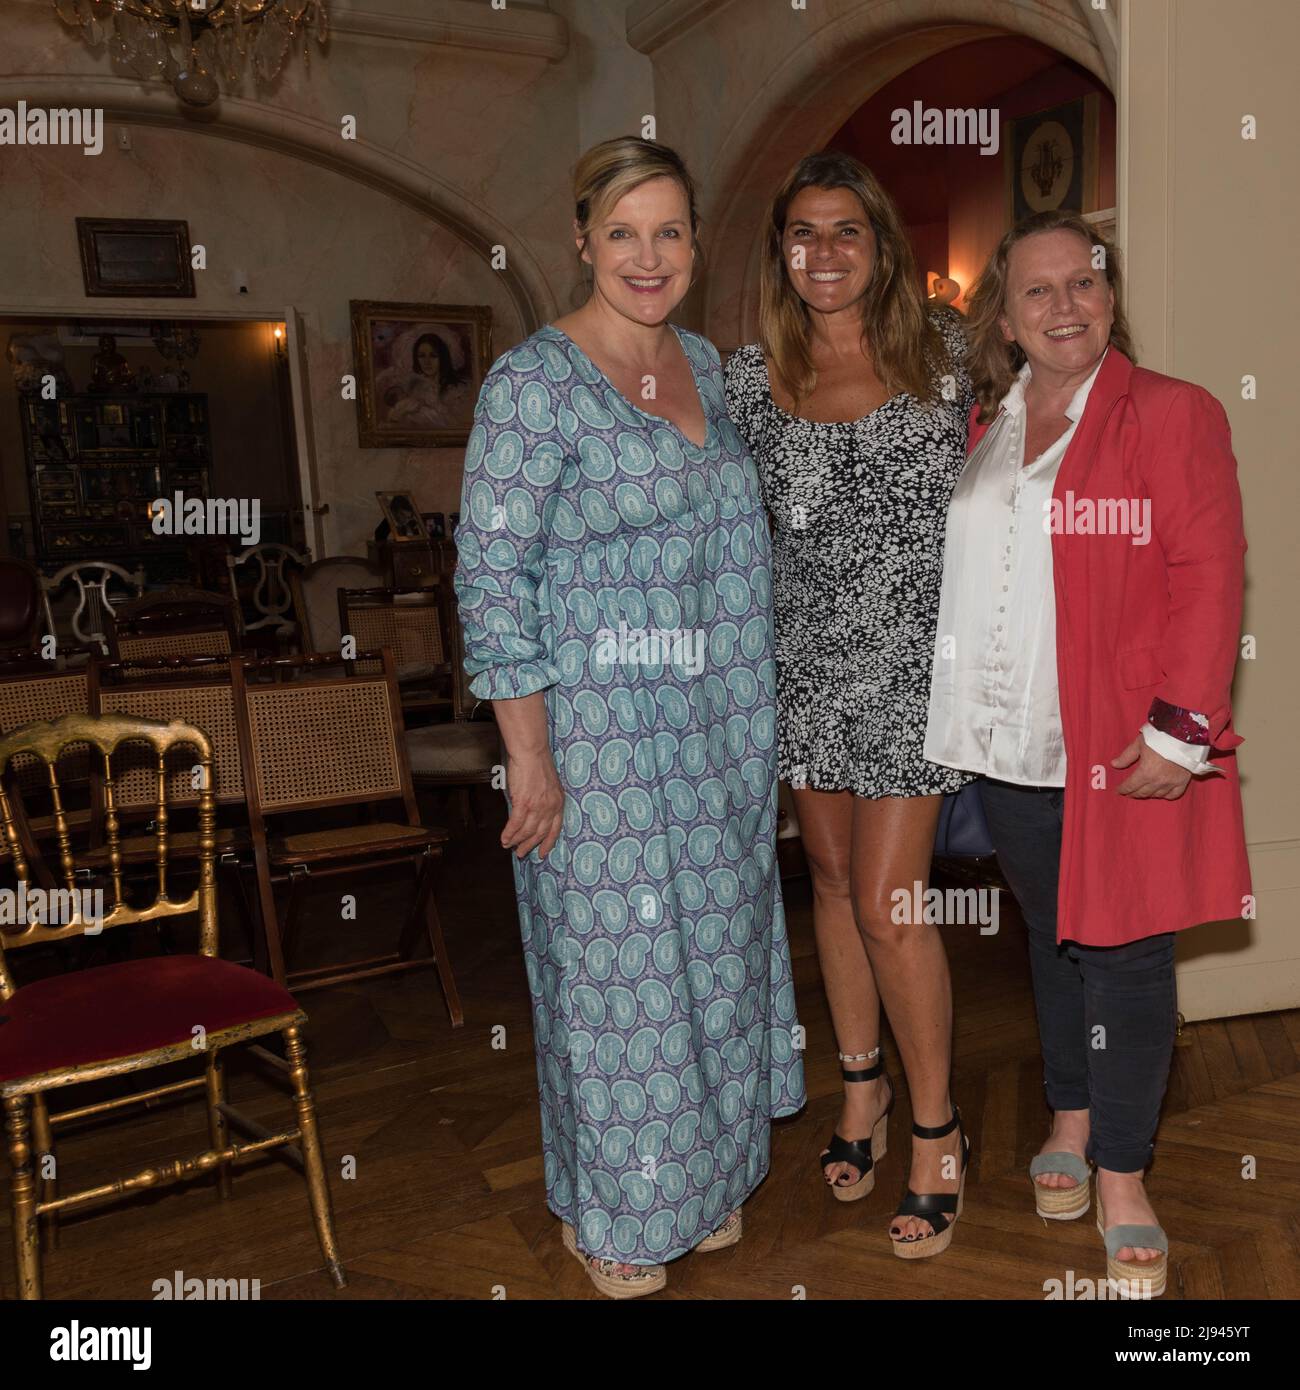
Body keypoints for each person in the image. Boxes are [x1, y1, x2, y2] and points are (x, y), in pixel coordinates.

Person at [453, 135, 806, 1299]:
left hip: (717, 737)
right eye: (622, 233)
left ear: (696, 245)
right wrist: (530, 763)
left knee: (712, 965)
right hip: (593, 740)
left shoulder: (707, 364)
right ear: (581, 240)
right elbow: (492, 585)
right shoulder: (532, 387)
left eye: (668, 232)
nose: (646, 257)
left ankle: (698, 1183)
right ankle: (615, 1212)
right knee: (618, 986)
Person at [924, 209, 1251, 1298]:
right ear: (1006, 319)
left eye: (1085, 282)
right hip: (1008, 743)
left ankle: (1121, 1172)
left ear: (1110, 294)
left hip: (1120, 742)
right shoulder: (990, 423)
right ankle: (1067, 1106)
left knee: (1127, 954)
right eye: (1037, 291)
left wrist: (1179, 727)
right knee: (1056, 940)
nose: (1065, 305)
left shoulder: (1169, 412)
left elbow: (1210, 571)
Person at [724, 151, 975, 1258]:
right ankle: (860, 1090)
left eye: (846, 232)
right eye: (802, 233)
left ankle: (936, 1129)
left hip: (918, 670)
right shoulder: (746, 378)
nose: (823, 253)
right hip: (805, 667)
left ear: (882, 247)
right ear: (781, 251)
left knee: (889, 902)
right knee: (826, 882)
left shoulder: (949, 353)